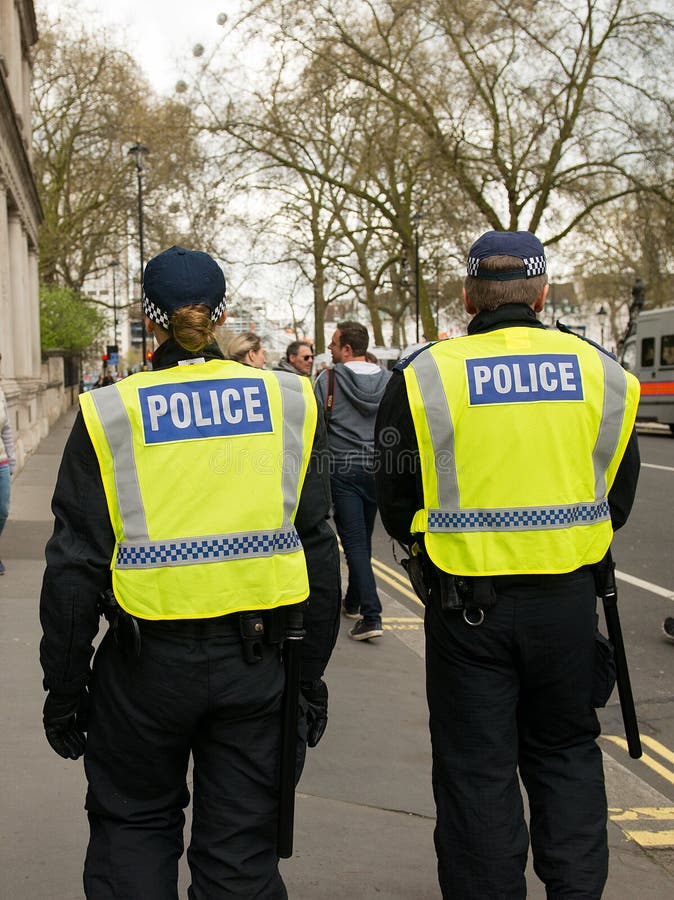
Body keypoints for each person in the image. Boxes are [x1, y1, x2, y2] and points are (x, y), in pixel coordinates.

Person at [39, 245, 340, 899]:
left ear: (150, 322)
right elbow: (318, 551)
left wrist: (63, 690)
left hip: (144, 670)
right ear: (222, 313)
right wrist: (308, 678)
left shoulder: (111, 414)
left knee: (132, 833)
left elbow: (72, 573)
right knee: (240, 857)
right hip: (259, 667)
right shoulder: (288, 402)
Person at [374, 231, 641, 899]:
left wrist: (421, 554)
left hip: (468, 610)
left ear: (468, 297)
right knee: (568, 754)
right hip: (568, 605)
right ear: (543, 294)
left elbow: (394, 486)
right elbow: (619, 492)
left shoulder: (426, 375)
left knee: (476, 772)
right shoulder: (603, 373)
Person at [314, 321, 391, 640]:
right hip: (379, 468)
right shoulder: (389, 380)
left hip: (342, 469)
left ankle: (371, 615)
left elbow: (316, 424)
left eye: (334, 344)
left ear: (347, 348)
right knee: (364, 539)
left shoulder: (328, 379)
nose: (330, 349)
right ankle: (355, 601)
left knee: (356, 542)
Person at [0, 356, 17, 575]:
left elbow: (6, 429)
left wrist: (12, 459)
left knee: (2, 510)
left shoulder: (0, 392)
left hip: (1, 462)